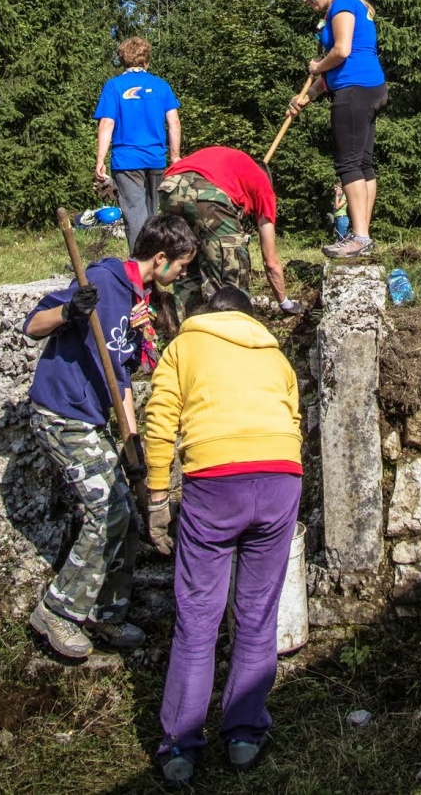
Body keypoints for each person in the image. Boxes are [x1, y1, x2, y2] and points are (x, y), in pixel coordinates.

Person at [143, 285, 303, 783]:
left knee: (198, 616)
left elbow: (159, 419)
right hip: (281, 474)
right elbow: (294, 418)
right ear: (248, 317)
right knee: (257, 613)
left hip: (215, 479)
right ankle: (244, 734)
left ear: (207, 315)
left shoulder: (184, 346)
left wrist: (154, 496)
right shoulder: (274, 353)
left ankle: (181, 745)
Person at [23, 212, 196, 661]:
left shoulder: (139, 302)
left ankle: (106, 612)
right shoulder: (101, 278)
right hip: (61, 414)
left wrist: (134, 446)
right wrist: (68, 311)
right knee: (105, 510)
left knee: (127, 515)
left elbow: (119, 375)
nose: (181, 275)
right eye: (179, 266)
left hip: (93, 420)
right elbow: (33, 324)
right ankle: (57, 610)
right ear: (160, 259)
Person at [289, 0, 387, 258]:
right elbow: (340, 65)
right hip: (367, 87)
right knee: (363, 164)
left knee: (348, 164)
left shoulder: (342, 3)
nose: (307, 1)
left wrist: (318, 65)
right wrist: (309, 96)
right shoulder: (347, 3)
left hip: (355, 90)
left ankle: (358, 236)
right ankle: (363, 236)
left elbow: (342, 51)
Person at [157, 145, 301, 317]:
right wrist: (284, 302)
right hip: (205, 193)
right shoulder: (263, 186)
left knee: (186, 264)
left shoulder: (232, 167)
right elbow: (270, 261)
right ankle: (232, 329)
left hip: (169, 186)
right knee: (232, 271)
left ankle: (188, 330)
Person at [94, 37, 182, 252]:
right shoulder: (161, 86)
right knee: (152, 214)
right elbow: (174, 122)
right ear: (146, 61)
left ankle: (140, 270)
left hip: (126, 161)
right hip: (156, 159)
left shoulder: (114, 86)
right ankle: (154, 263)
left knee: (135, 215)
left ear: (123, 60)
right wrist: (175, 156)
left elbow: (107, 123)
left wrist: (100, 159)